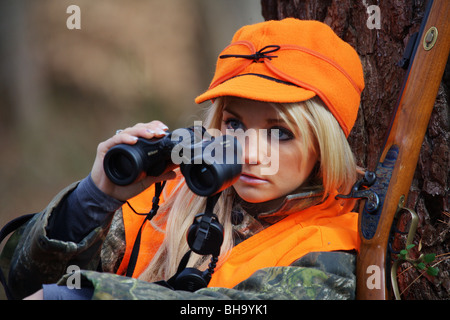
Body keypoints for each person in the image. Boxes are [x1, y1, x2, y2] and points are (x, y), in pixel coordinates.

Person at [4, 18, 364, 300]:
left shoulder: (333, 248)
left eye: (281, 133)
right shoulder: (164, 201)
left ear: (324, 145)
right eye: (234, 123)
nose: (250, 152)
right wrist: (94, 198)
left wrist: (82, 297)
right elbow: (22, 282)